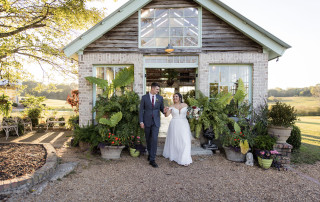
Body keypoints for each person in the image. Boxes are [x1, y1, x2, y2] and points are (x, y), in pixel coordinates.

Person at [139, 82, 168, 168]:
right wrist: (141, 122)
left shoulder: (160, 98)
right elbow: (141, 110)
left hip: (156, 122)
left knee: (154, 139)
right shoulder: (144, 98)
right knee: (148, 139)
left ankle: (152, 159)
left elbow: (162, 109)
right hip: (146, 121)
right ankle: (150, 153)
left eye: (158, 89)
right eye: (157, 89)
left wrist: (165, 110)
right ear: (152, 88)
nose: (158, 91)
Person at [163, 93, 192, 166]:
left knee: (185, 140)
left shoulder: (185, 105)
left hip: (184, 124)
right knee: (176, 141)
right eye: (173, 97)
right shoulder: (171, 106)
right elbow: (166, 115)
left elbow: (189, 114)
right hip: (174, 124)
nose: (174, 98)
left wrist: (195, 112)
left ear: (179, 97)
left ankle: (185, 159)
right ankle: (176, 156)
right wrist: (165, 111)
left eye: (176, 96)